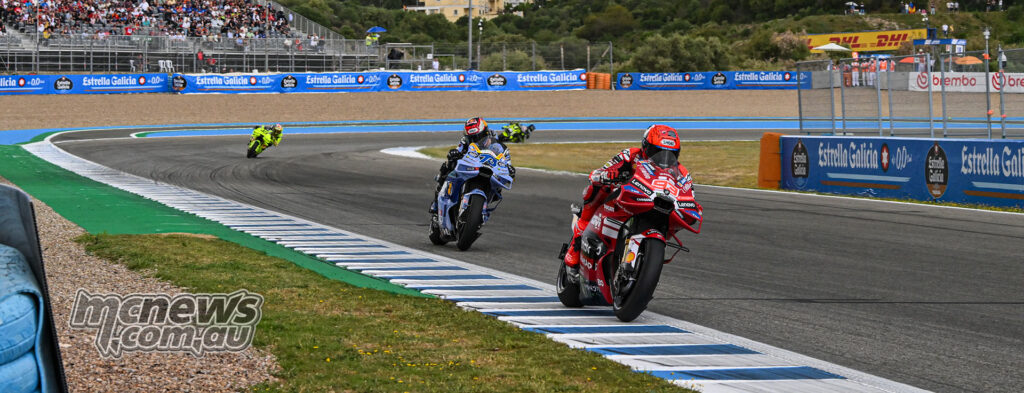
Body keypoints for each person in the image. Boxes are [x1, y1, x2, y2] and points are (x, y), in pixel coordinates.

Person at [561, 125, 684, 272]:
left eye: (670, 154)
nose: (663, 159)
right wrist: (607, 175)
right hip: (622, 197)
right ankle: (577, 242)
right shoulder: (630, 155)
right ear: (645, 147)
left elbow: (688, 190)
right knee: (596, 189)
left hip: (650, 204)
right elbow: (599, 173)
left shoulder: (679, 171)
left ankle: (644, 262)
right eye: (657, 152)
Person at [429, 117, 515, 214]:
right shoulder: (465, 140)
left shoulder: (493, 138)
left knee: (499, 185)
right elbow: (458, 150)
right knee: (447, 165)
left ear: (485, 133)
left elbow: (503, 154)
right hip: (470, 163)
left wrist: (509, 167)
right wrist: (454, 153)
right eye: (471, 137)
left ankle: (483, 207)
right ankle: (436, 202)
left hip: (488, 165)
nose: (474, 140)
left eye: (478, 137)